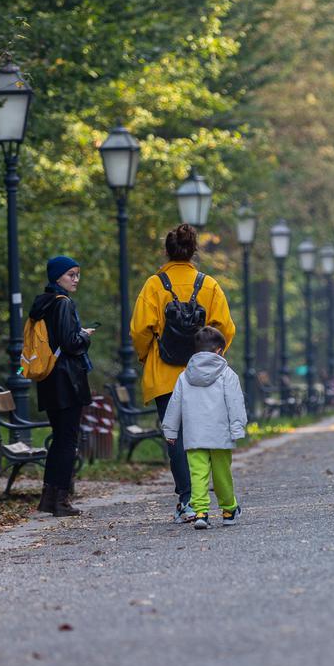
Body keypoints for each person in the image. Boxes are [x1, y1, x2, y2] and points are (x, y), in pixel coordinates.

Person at [131, 223, 236, 524]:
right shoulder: (209, 285)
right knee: (202, 436)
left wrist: (146, 356)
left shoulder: (154, 285)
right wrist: (213, 359)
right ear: (194, 251)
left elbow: (139, 329)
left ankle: (187, 501)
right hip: (203, 376)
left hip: (164, 375)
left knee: (175, 437)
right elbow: (225, 328)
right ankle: (217, 500)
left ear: (167, 251)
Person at [161, 326, 247, 530]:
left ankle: (200, 512)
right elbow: (235, 403)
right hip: (220, 434)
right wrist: (237, 429)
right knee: (221, 474)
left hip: (194, 435)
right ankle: (228, 510)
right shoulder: (227, 374)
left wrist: (170, 431)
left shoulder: (184, 376)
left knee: (197, 474)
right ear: (219, 350)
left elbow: (175, 404)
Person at [29, 256, 94, 517]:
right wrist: (85, 336)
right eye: (70, 275)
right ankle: (61, 501)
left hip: (48, 379)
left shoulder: (42, 303)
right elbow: (70, 343)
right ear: (57, 277)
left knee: (59, 439)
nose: (75, 279)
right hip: (67, 381)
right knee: (67, 441)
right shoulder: (63, 303)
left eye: (77, 274)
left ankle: (48, 498)